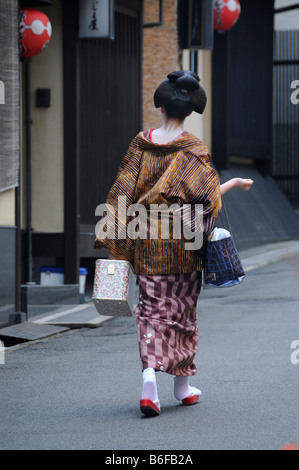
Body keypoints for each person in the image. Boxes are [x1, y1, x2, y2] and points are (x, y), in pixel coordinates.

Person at [94, 71, 253, 417]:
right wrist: (235, 184)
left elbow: (121, 192)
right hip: (184, 242)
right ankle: (181, 386)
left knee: (151, 310)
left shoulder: (140, 143)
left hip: (147, 241)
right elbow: (207, 199)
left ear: (162, 107)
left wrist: (115, 238)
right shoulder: (194, 150)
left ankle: (151, 378)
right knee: (182, 312)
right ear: (189, 112)